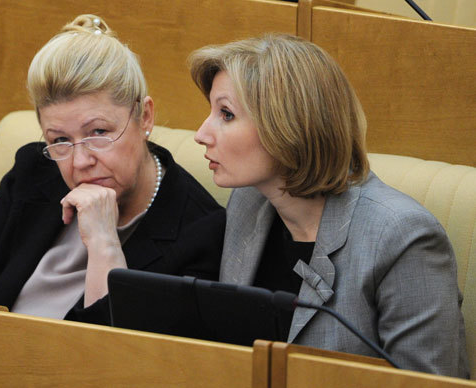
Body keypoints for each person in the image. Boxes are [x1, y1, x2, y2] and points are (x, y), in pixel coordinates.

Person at [189, 34, 469, 378]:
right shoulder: (250, 202)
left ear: (289, 126)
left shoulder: (403, 239)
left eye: (226, 114)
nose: (201, 133)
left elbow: (427, 387)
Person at [0, 14, 224, 325]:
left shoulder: (199, 234)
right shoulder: (37, 172)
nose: (79, 162)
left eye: (98, 133)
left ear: (144, 116)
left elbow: (114, 359)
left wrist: (104, 242)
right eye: (60, 139)